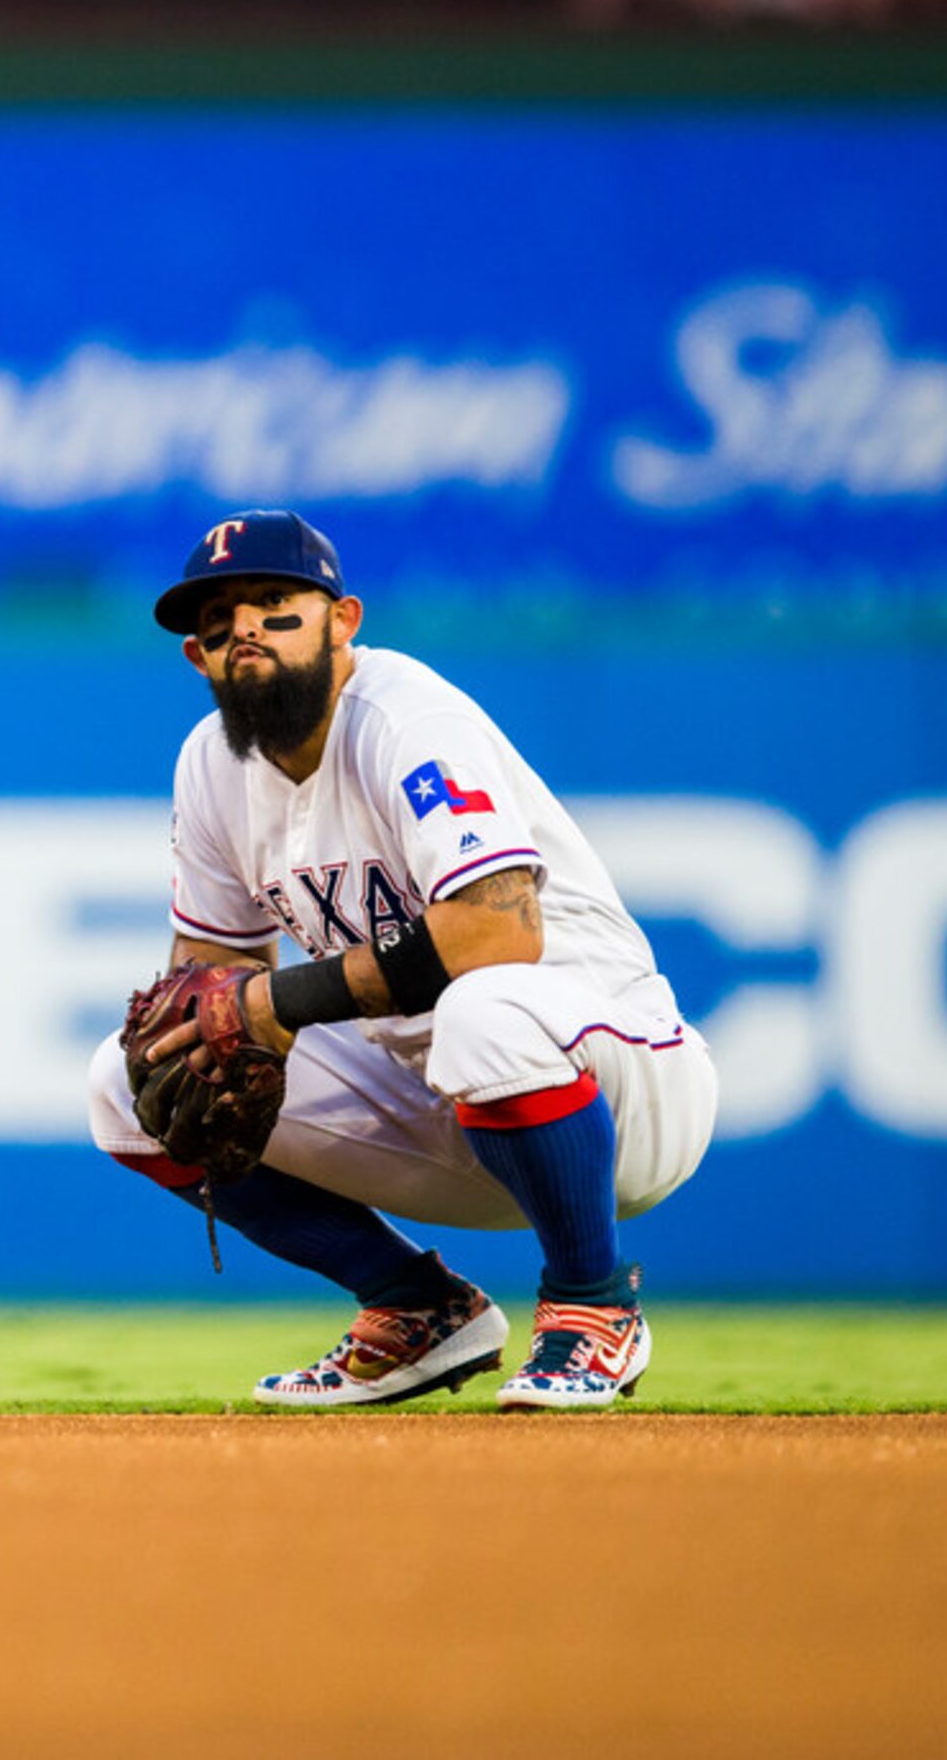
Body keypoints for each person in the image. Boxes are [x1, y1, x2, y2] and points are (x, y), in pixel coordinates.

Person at [90, 511, 716, 1410]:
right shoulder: (210, 765)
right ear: (199, 658)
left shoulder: (404, 717)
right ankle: (417, 1306)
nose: (248, 630)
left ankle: (593, 1302)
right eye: (221, 622)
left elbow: (497, 935)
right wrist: (216, 1022)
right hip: (436, 1104)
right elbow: (216, 979)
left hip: (616, 1081)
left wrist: (276, 1004)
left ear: (344, 620)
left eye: (276, 603)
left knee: (484, 1007)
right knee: (133, 1075)